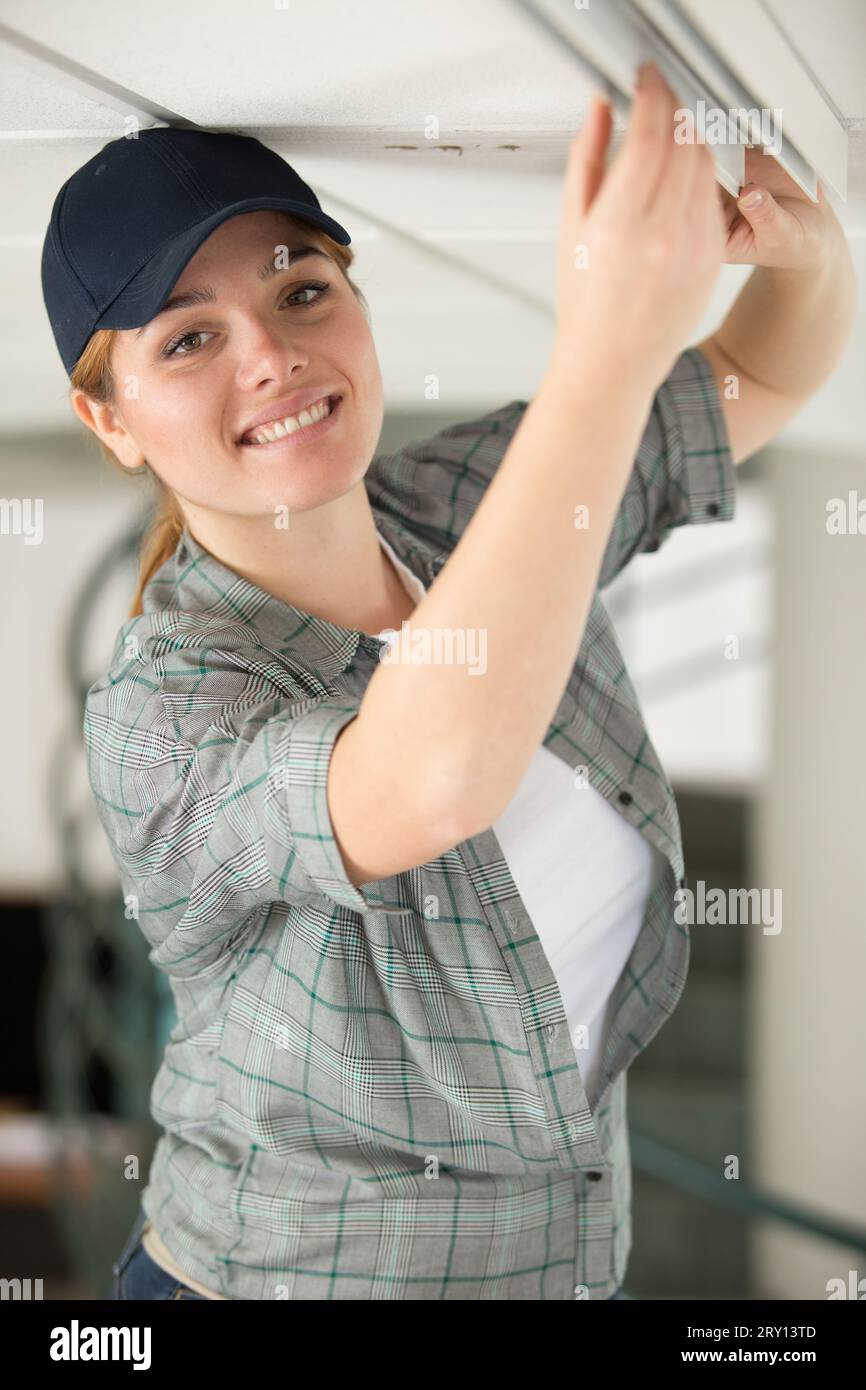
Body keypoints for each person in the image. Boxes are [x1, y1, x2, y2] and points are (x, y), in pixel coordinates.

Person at [41, 61, 747, 1300]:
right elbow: (427, 783)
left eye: (302, 290)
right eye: (190, 337)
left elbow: (756, 382)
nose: (268, 354)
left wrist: (805, 242)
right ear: (111, 422)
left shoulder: (452, 502)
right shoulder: (162, 709)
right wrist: (603, 348)